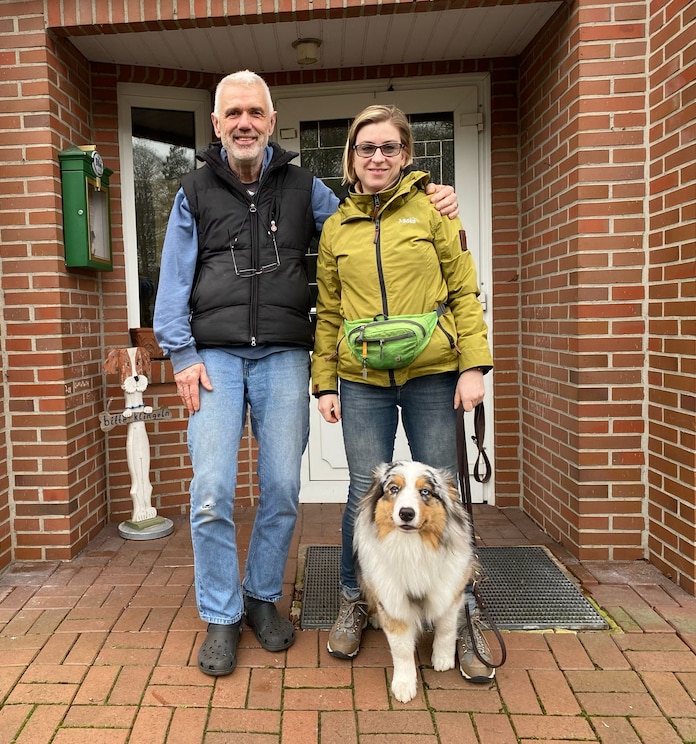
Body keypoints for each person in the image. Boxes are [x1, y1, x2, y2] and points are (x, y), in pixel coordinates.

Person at [153, 72, 459, 678]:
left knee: (280, 491)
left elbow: (365, 223)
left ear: (271, 120)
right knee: (212, 491)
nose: (244, 122)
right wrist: (180, 354)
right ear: (217, 125)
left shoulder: (304, 188)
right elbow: (171, 279)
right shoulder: (192, 191)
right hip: (211, 357)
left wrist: (430, 199)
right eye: (232, 112)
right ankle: (221, 612)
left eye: (255, 112)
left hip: (286, 356)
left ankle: (263, 598)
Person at [310, 104, 496, 683]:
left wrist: (474, 367)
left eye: (389, 148)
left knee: (445, 491)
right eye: (367, 148)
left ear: (406, 155)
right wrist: (324, 382)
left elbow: (465, 290)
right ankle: (354, 596)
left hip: (434, 372)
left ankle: (460, 615)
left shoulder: (433, 212)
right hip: (362, 379)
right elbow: (329, 312)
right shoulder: (337, 227)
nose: (378, 158)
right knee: (363, 495)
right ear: (351, 158)